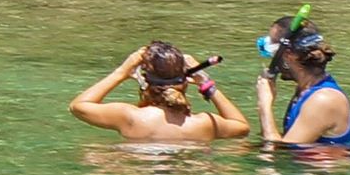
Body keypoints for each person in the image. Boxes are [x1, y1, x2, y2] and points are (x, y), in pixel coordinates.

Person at [69, 42, 253, 145]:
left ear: (143, 79)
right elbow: (242, 127)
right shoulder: (204, 124)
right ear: (186, 78)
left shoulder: (130, 117)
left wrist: (122, 72)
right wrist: (205, 83)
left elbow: (78, 106)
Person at [257, 16, 350, 150]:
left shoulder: (323, 100)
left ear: (288, 55)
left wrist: (264, 105)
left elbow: (275, 153)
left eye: (272, 52)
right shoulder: (305, 90)